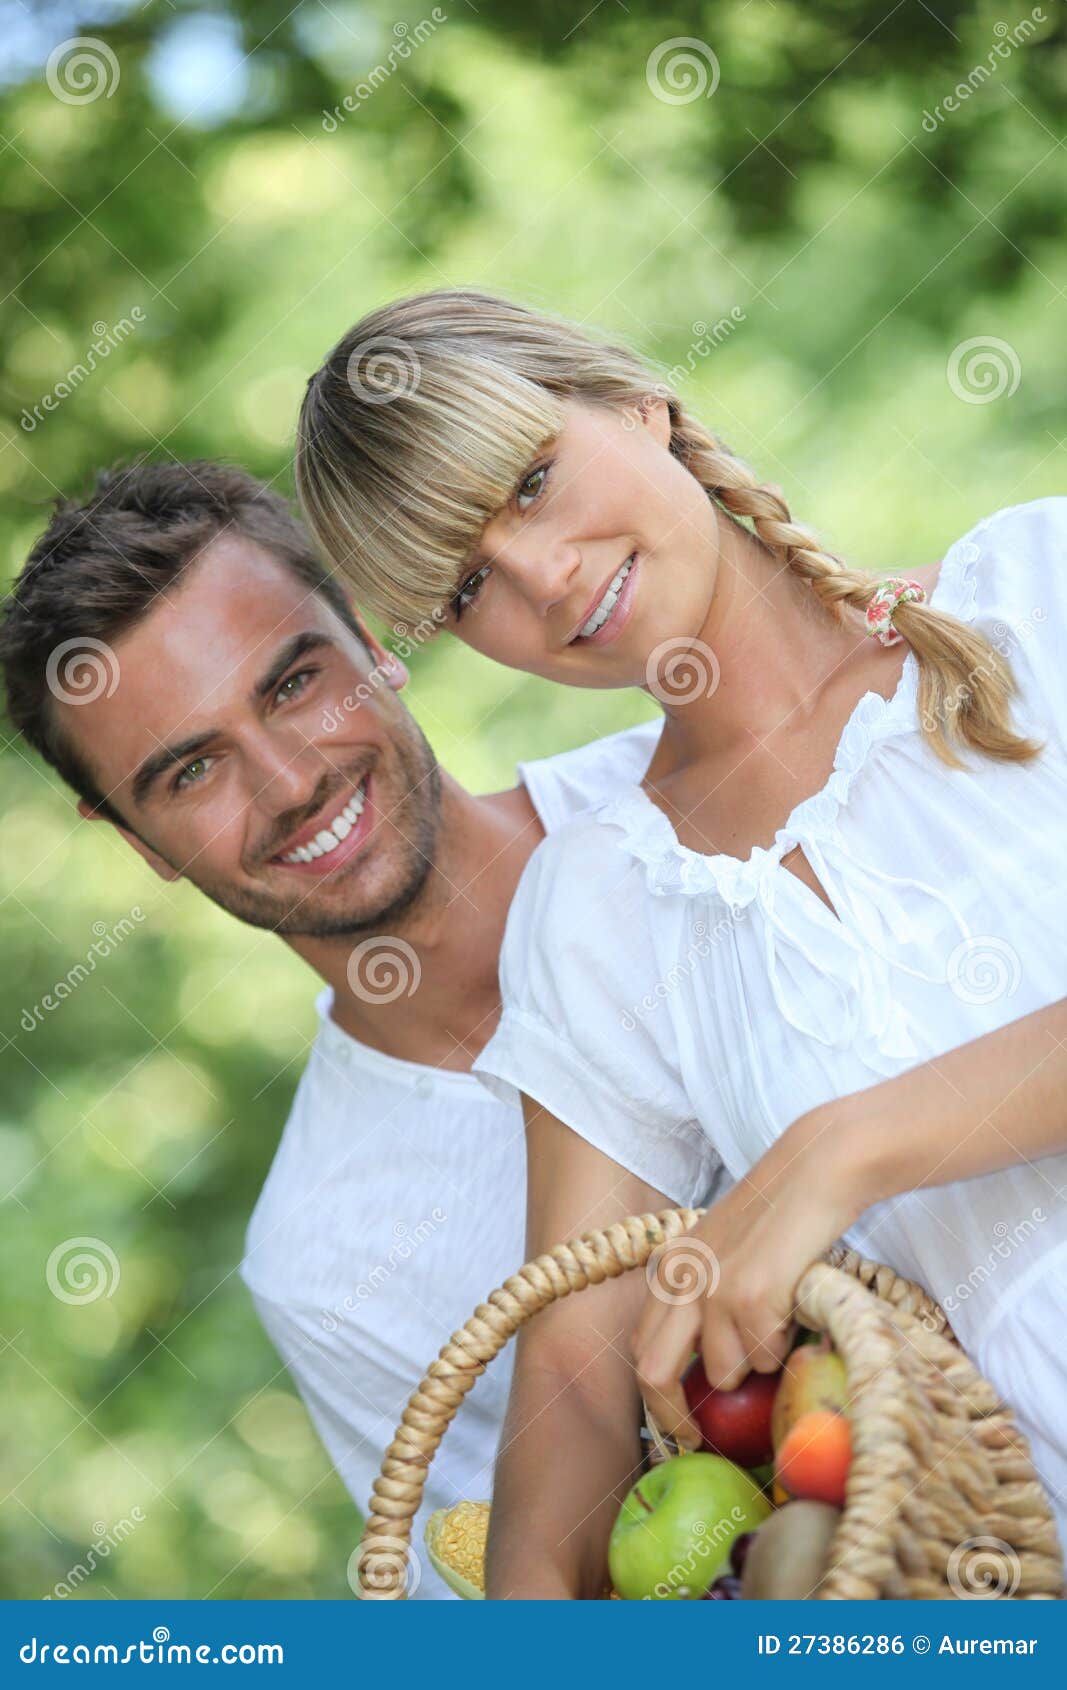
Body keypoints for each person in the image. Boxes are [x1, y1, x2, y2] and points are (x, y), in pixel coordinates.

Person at [295, 287, 1067, 1596]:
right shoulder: (604, 907)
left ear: (635, 404)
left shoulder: (1035, 593)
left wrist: (840, 1147)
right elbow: (574, 1378)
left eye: (530, 481)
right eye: (468, 584)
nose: (542, 579)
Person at [0, 457, 692, 1600]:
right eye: (191, 769)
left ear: (372, 642)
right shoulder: (328, 1262)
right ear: (132, 839)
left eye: (291, 685)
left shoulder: (698, 800)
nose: (288, 783)